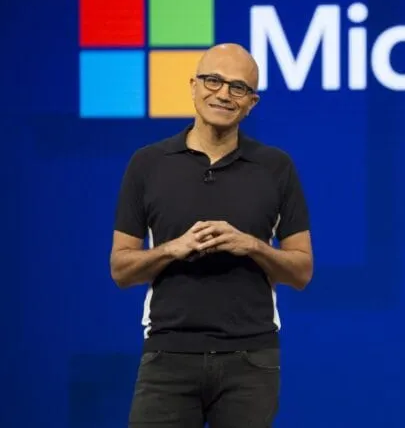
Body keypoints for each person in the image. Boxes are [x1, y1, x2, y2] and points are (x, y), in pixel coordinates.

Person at [109, 43, 314, 428]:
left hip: (250, 361)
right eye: (213, 80)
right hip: (167, 357)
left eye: (238, 88)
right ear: (193, 86)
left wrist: (252, 245)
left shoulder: (276, 168)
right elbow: (121, 268)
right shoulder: (148, 164)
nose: (223, 93)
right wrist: (173, 249)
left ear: (252, 103)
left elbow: (301, 271)